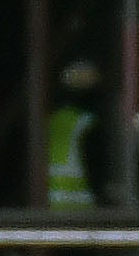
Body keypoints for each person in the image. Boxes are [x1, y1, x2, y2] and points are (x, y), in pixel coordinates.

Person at [44, 57, 102, 210]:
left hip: (50, 207)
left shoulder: (51, 121)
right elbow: (97, 171)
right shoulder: (88, 124)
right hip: (82, 210)